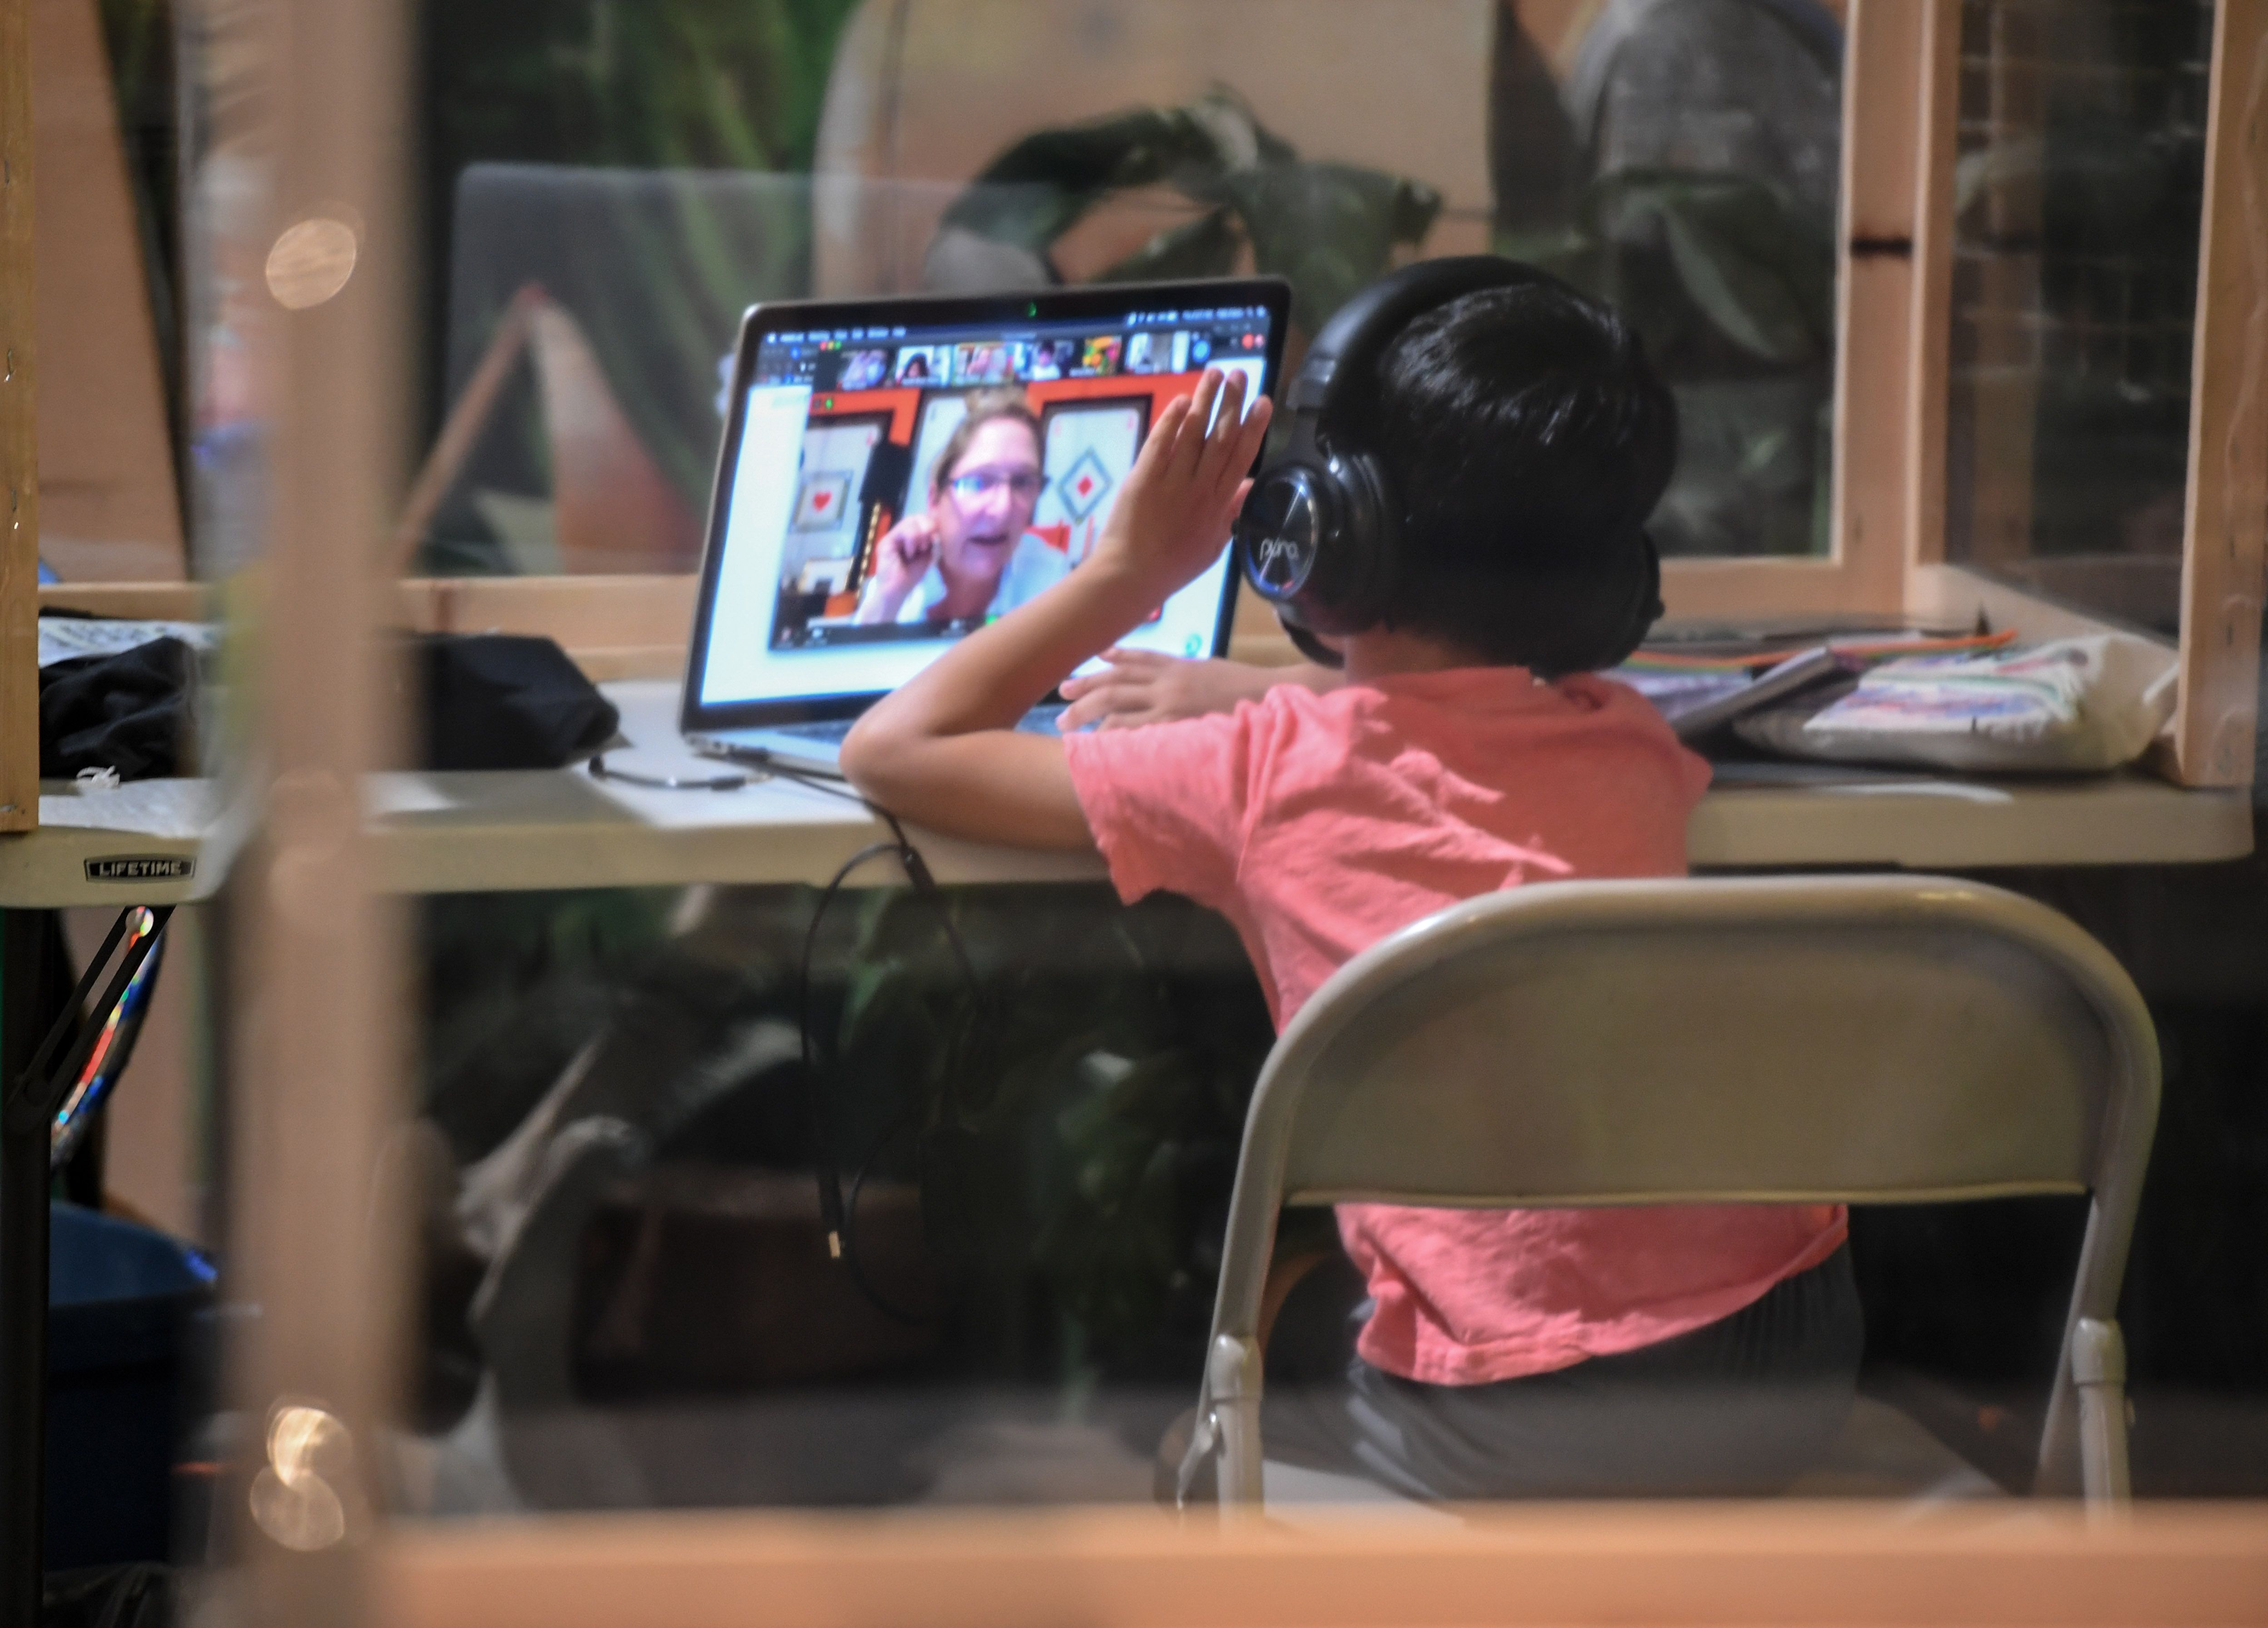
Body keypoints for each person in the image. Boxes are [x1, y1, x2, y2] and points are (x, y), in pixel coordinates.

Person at [840, 280, 1859, 1501]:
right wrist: (1276, 700)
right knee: (1330, 1289)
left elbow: (895, 750)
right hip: (1792, 1363)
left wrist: (1130, 570)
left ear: (1321, 529)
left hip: (1531, 1419)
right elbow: (1456, 740)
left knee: (1223, 1383)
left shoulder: (1258, 773)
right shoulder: (1626, 736)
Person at [853, 390, 1069, 628]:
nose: (1003, 508)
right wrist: (890, 596)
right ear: (935, 499)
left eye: (1022, 482)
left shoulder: (1050, 580)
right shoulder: (899, 576)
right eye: (978, 482)